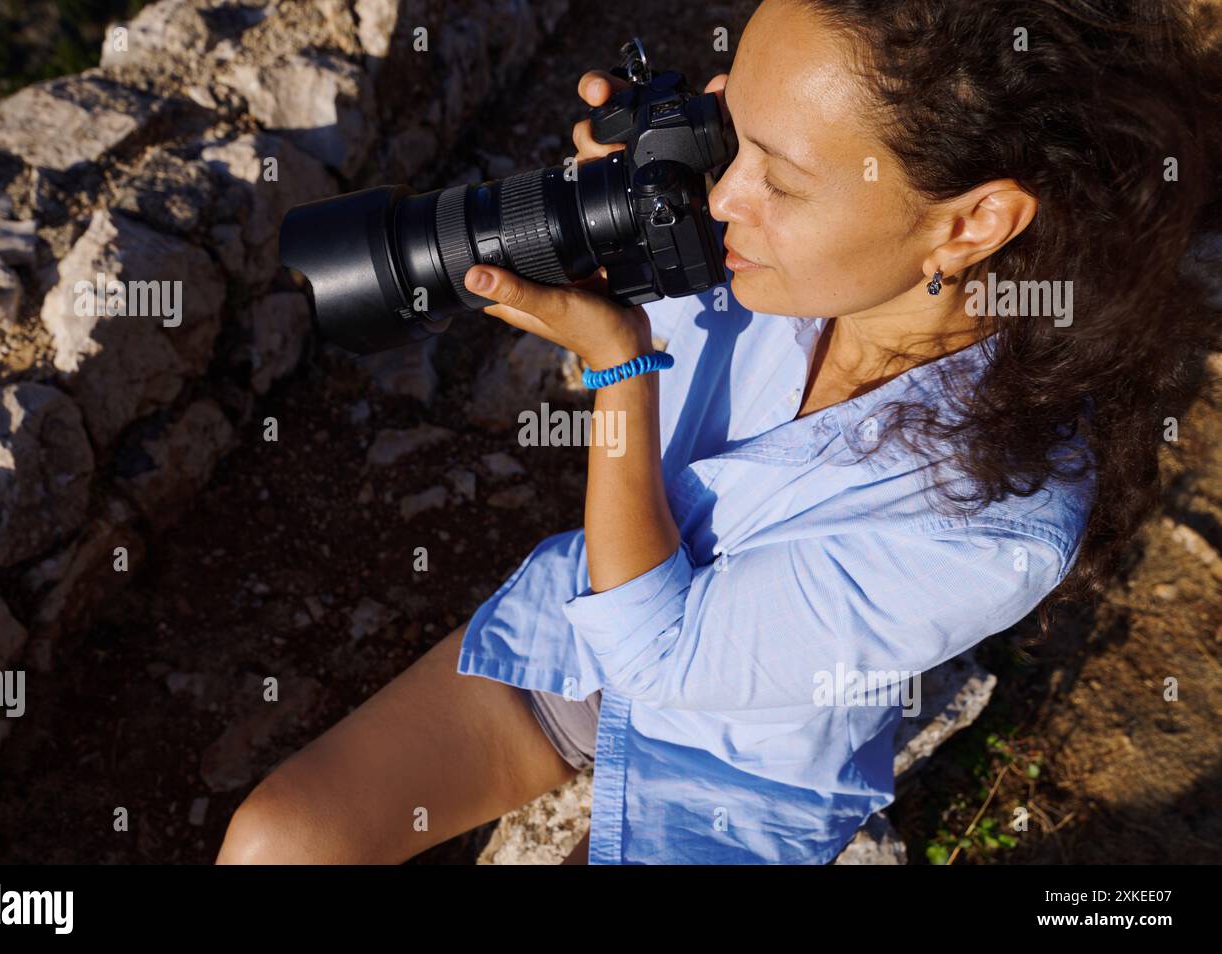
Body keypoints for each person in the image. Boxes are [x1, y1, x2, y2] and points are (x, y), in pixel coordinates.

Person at [216, 0, 1222, 864]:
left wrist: (620, 368)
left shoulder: (998, 514)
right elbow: (622, 627)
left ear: (968, 223)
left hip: (737, 765)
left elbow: (664, 661)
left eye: (776, 178)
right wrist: (609, 211)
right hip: (584, 636)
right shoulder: (760, 244)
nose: (723, 196)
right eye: (729, 134)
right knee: (281, 841)